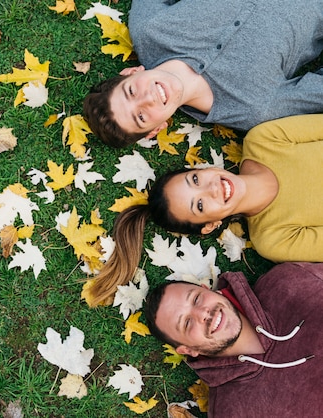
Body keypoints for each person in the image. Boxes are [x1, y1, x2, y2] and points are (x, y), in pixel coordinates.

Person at [85, 114, 323, 306]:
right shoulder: (273, 239)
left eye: (196, 179)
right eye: (199, 205)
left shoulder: (263, 140)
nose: (212, 188)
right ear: (211, 225)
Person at [82, 0, 323, 148]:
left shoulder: (150, 28)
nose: (148, 99)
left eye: (131, 91)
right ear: (157, 129)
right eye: (142, 117)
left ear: (131, 72)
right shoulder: (251, 108)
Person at [144, 262, 323, 417]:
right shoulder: (229, 411)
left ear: (208, 289)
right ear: (188, 350)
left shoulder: (287, 283)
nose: (203, 314)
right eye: (187, 323)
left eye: (197, 299)